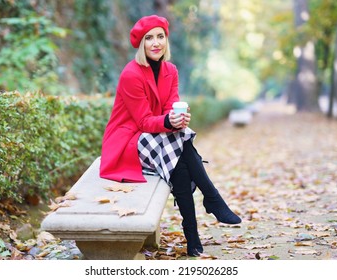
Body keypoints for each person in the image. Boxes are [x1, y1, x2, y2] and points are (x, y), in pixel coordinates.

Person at [100, 15, 241, 257]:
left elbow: (171, 105)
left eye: (160, 36)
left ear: (167, 40)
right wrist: (169, 122)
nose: (156, 43)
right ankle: (211, 200)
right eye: (149, 38)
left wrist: (179, 119)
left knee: (180, 153)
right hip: (127, 142)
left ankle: (194, 234)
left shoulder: (171, 71)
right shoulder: (131, 74)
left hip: (158, 138)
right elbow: (143, 121)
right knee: (180, 144)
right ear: (142, 44)